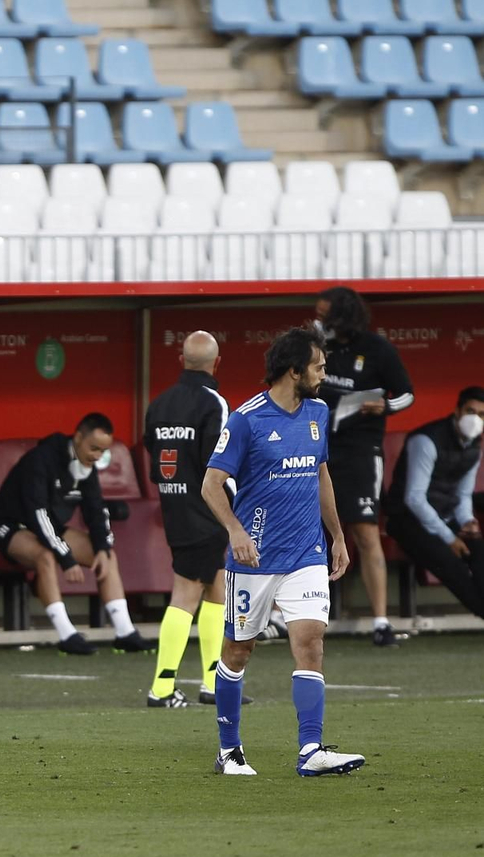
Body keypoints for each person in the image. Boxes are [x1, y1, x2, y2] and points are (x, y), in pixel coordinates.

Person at [201, 326, 363, 777]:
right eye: (319, 366)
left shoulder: (317, 411)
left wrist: (337, 536)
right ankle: (228, 751)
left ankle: (310, 751)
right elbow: (210, 486)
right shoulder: (246, 419)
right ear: (294, 371)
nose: (325, 374)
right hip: (254, 559)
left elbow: (320, 474)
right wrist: (235, 531)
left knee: (310, 643)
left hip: (306, 553)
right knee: (238, 652)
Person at [0, 415, 155, 656]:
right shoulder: (41, 460)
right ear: (78, 437)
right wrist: (66, 557)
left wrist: (102, 547)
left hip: (49, 526)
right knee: (46, 555)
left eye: (103, 451)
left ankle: (125, 633)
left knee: (106, 556)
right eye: (93, 448)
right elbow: (38, 514)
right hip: (11, 525)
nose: (97, 456)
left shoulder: (86, 467)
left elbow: (96, 510)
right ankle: (67, 635)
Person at [313, 286, 415, 647]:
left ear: (342, 314)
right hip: (319, 446)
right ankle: (296, 615)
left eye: (325, 313)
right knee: (309, 529)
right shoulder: (317, 346)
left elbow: (406, 394)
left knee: (365, 533)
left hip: (360, 449)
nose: (319, 318)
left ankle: (381, 621)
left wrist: (383, 407)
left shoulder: (376, 349)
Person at [142, 332, 239, 708]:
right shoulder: (215, 403)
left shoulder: (159, 404)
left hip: (173, 507)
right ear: (217, 363)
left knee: (218, 589)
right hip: (207, 510)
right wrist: (235, 512)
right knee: (185, 594)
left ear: (181, 360)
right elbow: (221, 464)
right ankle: (162, 688)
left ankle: (213, 684)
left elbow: (153, 458)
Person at [384, 387, 484, 621]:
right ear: (457, 411)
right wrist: (450, 539)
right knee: (452, 565)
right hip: (406, 520)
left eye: (481, 414)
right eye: (470, 411)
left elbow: (463, 495)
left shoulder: (474, 448)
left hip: (443, 518)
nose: (475, 419)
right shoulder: (427, 440)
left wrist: (468, 521)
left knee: (479, 550)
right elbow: (414, 499)